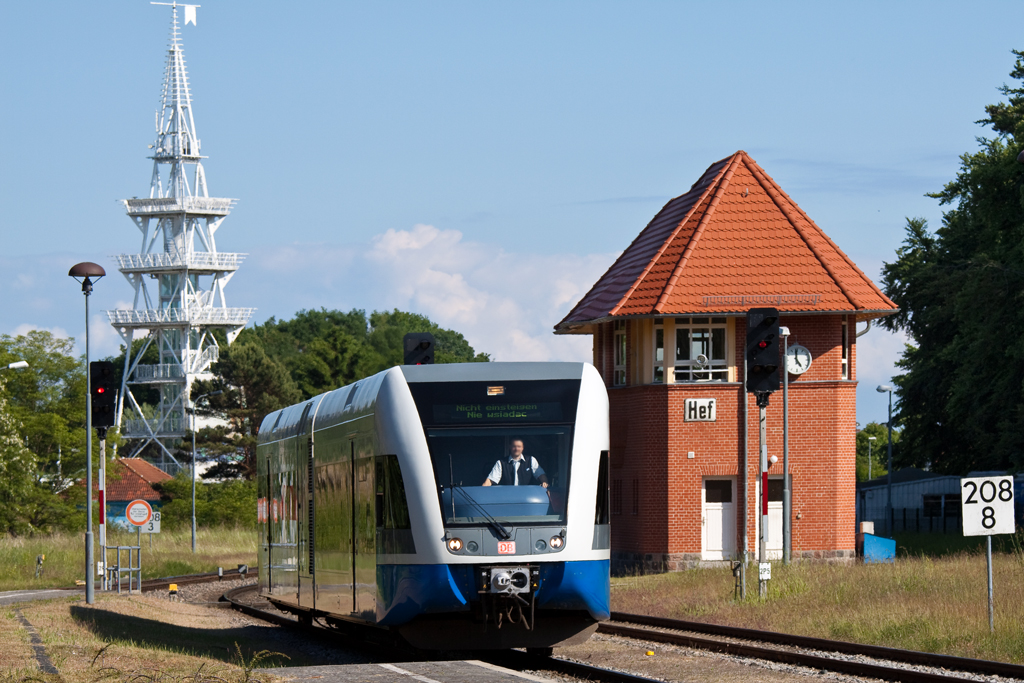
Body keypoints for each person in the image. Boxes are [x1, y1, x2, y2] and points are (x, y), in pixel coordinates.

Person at [482, 439, 548, 488]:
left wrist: (544, 483)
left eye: (519, 446)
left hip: (527, 497)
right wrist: (482, 490)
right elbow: (490, 480)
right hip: (507, 498)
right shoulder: (501, 462)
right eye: (514, 446)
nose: (516, 449)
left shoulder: (531, 460)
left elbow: (540, 474)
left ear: (522, 448)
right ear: (510, 447)